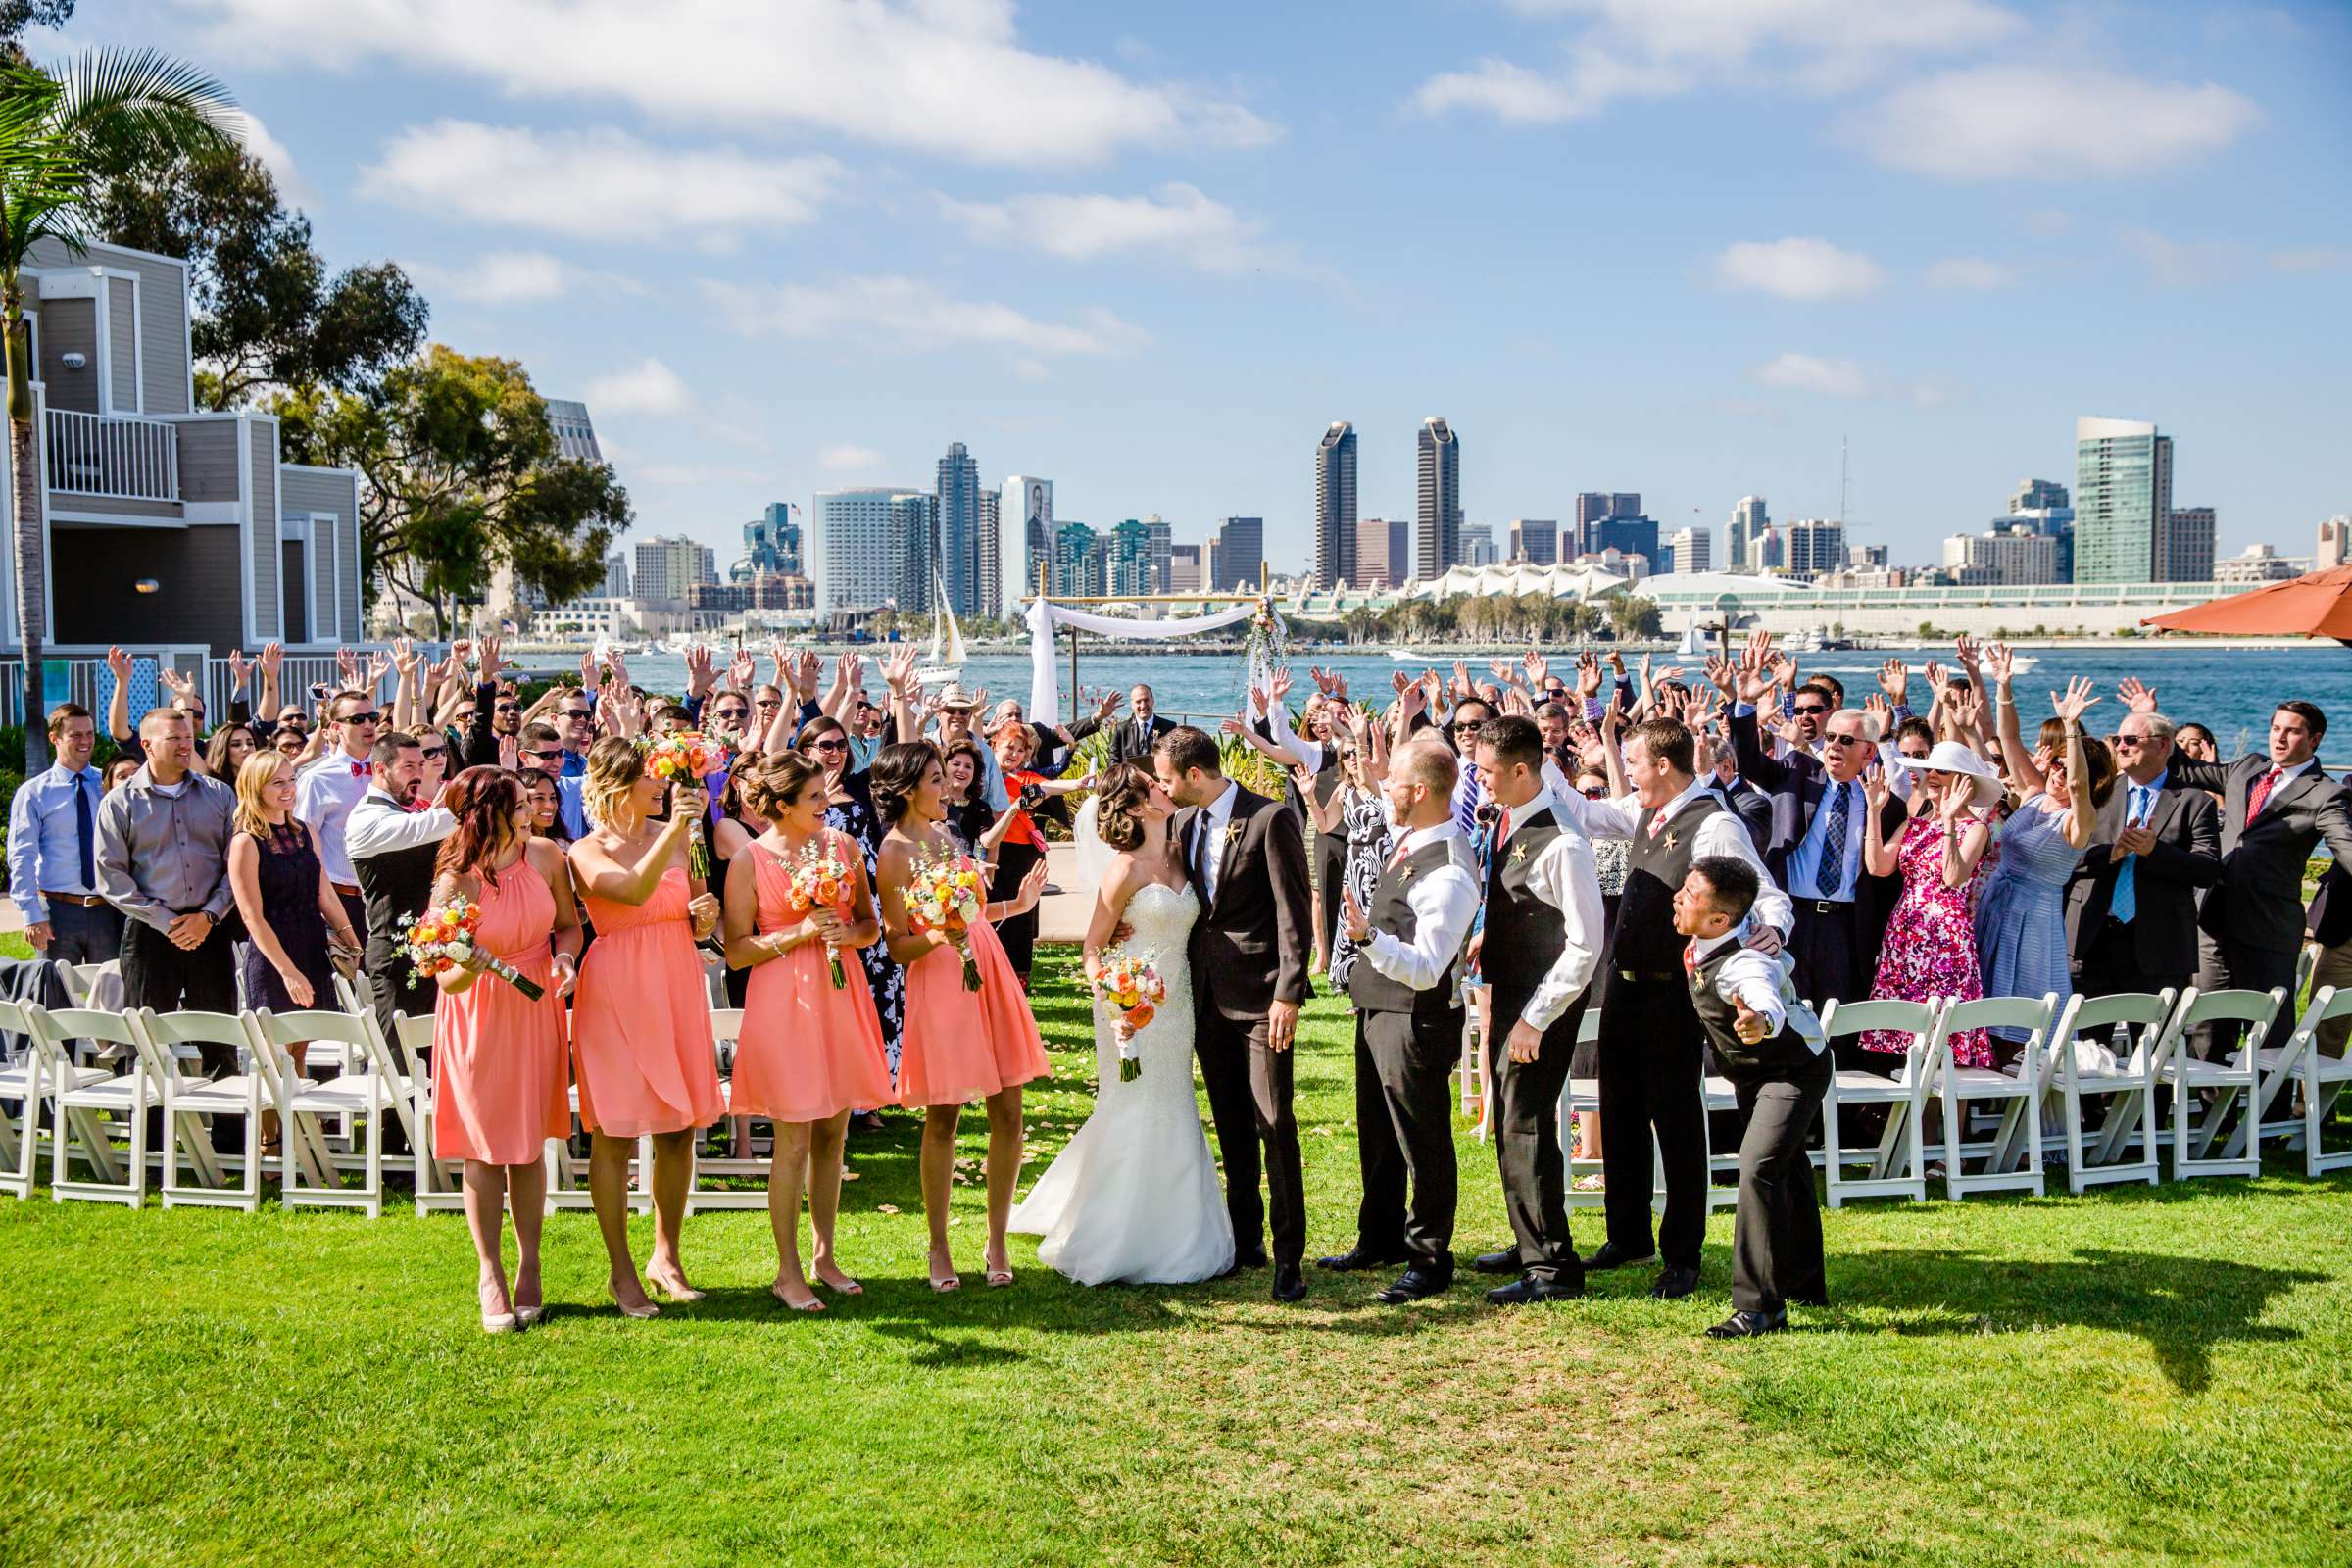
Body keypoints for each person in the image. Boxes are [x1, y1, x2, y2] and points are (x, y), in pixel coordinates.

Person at [1550, 716, 1790, 1300]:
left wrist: (1775, 931)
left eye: (1632, 762)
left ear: (1663, 765)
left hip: (1672, 995)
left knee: (1677, 1123)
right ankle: (1626, 1233)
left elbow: (1766, 892)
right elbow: (1585, 814)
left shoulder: (1715, 824)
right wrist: (1540, 762)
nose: (1624, 772)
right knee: (1621, 1109)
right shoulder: (1644, 813)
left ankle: (1682, 1253)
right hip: (1624, 986)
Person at [1009, 762, 1233, 1285]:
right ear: (1135, 807)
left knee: (1173, 1101)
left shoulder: (1183, 849)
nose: (1164, 785)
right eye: (1153, 785)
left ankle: (1178, 1228)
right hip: (1133, 1010)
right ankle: (1116, 1233)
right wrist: (1116, 1004)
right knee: (1134, 1103)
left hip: (1177, 1006)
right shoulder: (1124, 869)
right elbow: (1092, 948)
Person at [874, 741, 1051, 1292]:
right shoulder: (894, 852)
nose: (947, 787)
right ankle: (938, 1244)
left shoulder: (948, 836)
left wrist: (1014, 909)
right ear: (908, 791)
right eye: (934, 779)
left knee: (1010, 1108)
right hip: (941, 979)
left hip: (986, 967)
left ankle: (996, 1237)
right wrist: (936, 936)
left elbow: (970, 914)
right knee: (944, 1116)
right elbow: (898, 946)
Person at [721, 751, 894, 1311]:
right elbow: (737, 952)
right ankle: (786, 1270)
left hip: (841, 993)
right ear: (783, 805)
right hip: (783, 1001)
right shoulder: (749, 860)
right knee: (792, 1140)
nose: (827, 804)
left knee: (833, 1135)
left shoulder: (841, 848)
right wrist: (797, 933)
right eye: (816, 797)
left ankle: (825, 1256)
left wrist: (849, 936)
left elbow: (871, 925)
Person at [1153, 725, 1314, 1303]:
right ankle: (1246, 1243)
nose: (1163, 789)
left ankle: (1289, 1258)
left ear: (1194, 775)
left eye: (1168, 779)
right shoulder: (1182, 823)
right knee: (1232, 1126)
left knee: (1274, 1124)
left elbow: (1295, 913)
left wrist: (1289, 993)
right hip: (1207, 997)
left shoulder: (1270, 820)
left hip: (1263, 997)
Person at [567, 737, 725, 1317]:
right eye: (649, 780)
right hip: (617, 987)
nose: (661, 787)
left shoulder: (678, 837)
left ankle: (667, 1254)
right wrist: (673, 834)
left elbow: (696, 904)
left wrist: (701, 915)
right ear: (617, 787)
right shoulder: (585, 850)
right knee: (613, 1131)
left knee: (679, 1127)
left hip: (675, 978)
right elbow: (631, 893)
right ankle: (621, 1269)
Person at [1319, 737, 1480, 1305]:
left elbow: (1430, 966)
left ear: (1418, 791)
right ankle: (1380, 1235)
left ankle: (1431, 1257)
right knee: (1378, 1133)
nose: (1383, 787)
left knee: (1422, 1137)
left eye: (1392, 782)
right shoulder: (1412, 837)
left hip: (1417, 1016)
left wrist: (1370, 938)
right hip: (1379, 1008)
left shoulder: (1450, 871)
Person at [426, 767, 581, 1334]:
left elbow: (568, 927)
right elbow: (442, 978)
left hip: (537, 1005)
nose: (532, 810)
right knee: (485, 1147)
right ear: (485, 812)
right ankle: (489, 1270)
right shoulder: (455, 881)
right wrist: (466, 968)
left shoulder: (544, 856)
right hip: (480, 1016)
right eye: (519, 803)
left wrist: (565, 959)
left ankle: (531, 1262)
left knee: (528, 1142)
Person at [1465, 714, 1604, 1304]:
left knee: (1526, 1123)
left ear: (1522, 770)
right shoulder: (1510, 822)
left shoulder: (1564, 843)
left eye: (1488, 772)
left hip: (1541, 1008)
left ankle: (1552, 1265)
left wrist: (1534, 1018)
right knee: (1511, 1119)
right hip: (1513, 995)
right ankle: (1530, 1243)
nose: (1480, 781)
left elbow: (1585, 943)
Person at [1673, 857, 1831, 1339]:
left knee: (1758, 1166)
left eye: (1690, 895)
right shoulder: (1707, 941)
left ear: (1720, 919)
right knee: (1789, 1167)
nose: (1678, 897)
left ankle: (1759, 1307)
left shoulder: (1741, 960)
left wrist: (1761, 1019)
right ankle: (1805, 1284)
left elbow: (1759, 989)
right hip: (1752, 1075)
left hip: (1793, 1071)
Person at [2154, 695, 2352, 1060]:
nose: (2279, 738)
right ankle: (2213, 1115)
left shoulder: (2326, 793)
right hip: (2213, 920)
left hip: (2268, 927)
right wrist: (2153, 722)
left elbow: (2346, 846)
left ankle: (2270, 1116)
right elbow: (2185, 769)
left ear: (2315, 739)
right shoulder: (2247, 767)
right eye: (2275, 729)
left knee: (2269, 1030)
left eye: (2292, 732)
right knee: (2207, 1025)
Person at [1717, 644, 1886, 1009]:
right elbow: (1747, 760)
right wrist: (1743, 707)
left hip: (1845, 925)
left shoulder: (1883, 801)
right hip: (1792, 914)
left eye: (1846, 741)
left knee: (1837, 1015)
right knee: (1784, 1006)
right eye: (1830, 739)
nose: (1835, 747)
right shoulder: (1797, 770)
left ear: (1869, 752)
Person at [93, 709, 239, 1072]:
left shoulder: (218, 794)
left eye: (188, 736)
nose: (186, 745)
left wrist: (209, 916)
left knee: (220, 1045)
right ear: (147, 745)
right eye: (174, 738)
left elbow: (236, 865)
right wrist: (167, 922)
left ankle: (226, 1131)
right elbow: (111, 876)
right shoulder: (120, 802)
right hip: (150, 935)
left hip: (211, 931)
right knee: (147, 1047)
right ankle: (153, 1129)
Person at [1976, 663, 2114, 1039]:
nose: (2057, 773)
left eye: (2064, 768)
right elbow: (2009, 738)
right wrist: (2003, 686)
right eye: (2055, 764)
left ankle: (2009, 1090)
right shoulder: (2035, 796)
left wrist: (2071, 729)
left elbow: (2078, 784)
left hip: (2032, 919)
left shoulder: (2078, 820)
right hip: (1995, 903)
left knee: (2015, 1018)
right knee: (1978, 1005)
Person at [1858, 741, 2003, 1068]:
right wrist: (1873, 811)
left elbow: (1954, 877)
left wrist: (1950, 820)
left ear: (1965, 783)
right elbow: (1878, 867)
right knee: (1907, 1040)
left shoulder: (1975, 829)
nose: (1932, 775)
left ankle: (1947, 1119)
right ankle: (1912, 1117)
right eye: (1931, 769)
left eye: (1943, 771)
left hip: (1946, 938)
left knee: (1948, 1046)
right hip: (1906, 932)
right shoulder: (1914, 823)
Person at [2067, 708, 2222, 1002]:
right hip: (2094, 939)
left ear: (2163, 745)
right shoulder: (2099, 792)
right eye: (2117, 739)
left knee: (2151, 1042)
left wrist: (2155, 851)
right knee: (2087, 1045)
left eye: (2131, 739)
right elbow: (2068, 854)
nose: (2121, 746)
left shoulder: (2194, 802)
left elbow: (2207, 870)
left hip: (2160, 947)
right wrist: (2112, 853)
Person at [226, 752, 360, 1087]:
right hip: (273, 953)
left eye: (291, 780)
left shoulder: (304, 832)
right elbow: (251, 916)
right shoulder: (246, 842)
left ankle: (296, 1128)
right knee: (275, 1053)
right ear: (256, 787)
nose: (288, 789)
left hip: (311, 943)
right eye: (277, 783)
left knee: (300, 1048)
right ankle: (270, 1137)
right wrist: (288, 972)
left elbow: (325, 893)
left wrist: (350, 936)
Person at [796, 712, 902, 1091]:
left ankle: (874, 1089)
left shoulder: (860, 785)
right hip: (826, 893)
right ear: (807, 750)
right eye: (827, 745)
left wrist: (901, 700)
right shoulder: (797, 797)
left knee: (881, 981)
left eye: (842, 745)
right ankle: (835, 1086)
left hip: (869, 890)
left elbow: (899, 751)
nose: (836, 752)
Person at [346, 732, 458, 1054]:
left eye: (421, 765)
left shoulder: (408, 813)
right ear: (380, 769)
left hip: (429, 950)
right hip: (393, 956)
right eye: (408, 766)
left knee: (434, 1057)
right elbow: (420, 829)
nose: (419, 774)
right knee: (402, 1061)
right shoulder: (366, 817)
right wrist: (481, 800)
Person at [9, 703, 122, 964]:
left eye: (90, 734)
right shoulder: (34, 793)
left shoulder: (107, 785)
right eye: (76, 735)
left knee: (112, 996)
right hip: (57, 911)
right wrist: (31, 915)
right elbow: (21, 856)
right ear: (54, 738)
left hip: (107, 910)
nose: (86, 741)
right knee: (55, 995)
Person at [294, 689, 384, 943]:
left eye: (372, 717)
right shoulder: (316, 779)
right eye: (357, 719)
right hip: (339, 897)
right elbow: (303, 846)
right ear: (336, 727)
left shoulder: (387, 769)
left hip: (384, 894)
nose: (368, 725)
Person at [1103, 684, 1177, 766]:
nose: (1143, 705)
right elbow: (1113, 760)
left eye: (1146, 700)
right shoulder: (1121, 729)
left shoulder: (1169, 728)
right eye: (1138, 701)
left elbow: (1174, 760)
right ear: (1132, 705)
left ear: (1153, 701)